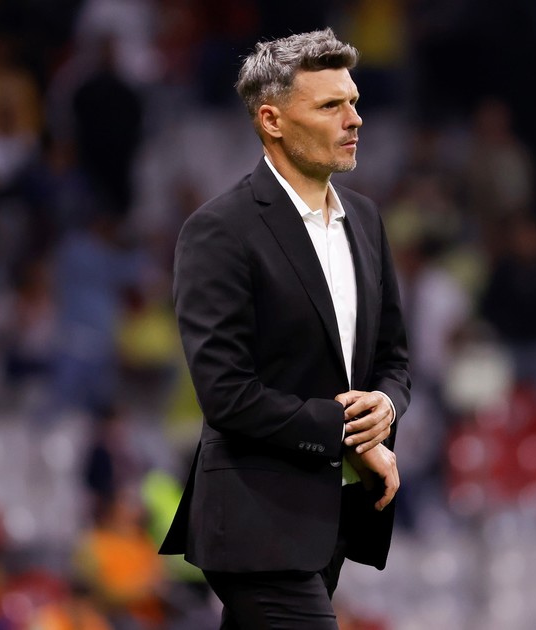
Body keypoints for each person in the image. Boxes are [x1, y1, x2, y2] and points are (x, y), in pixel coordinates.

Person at [158, 28, 411, 629]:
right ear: (271, 120)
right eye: (330, 105)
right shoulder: (218, 230)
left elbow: (394, 357)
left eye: (353, 102)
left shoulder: (366, 220)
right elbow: (226, 394)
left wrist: (385, 406)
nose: (354, 119)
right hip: (254, 524)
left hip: (330, 521)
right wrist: (350, 435)